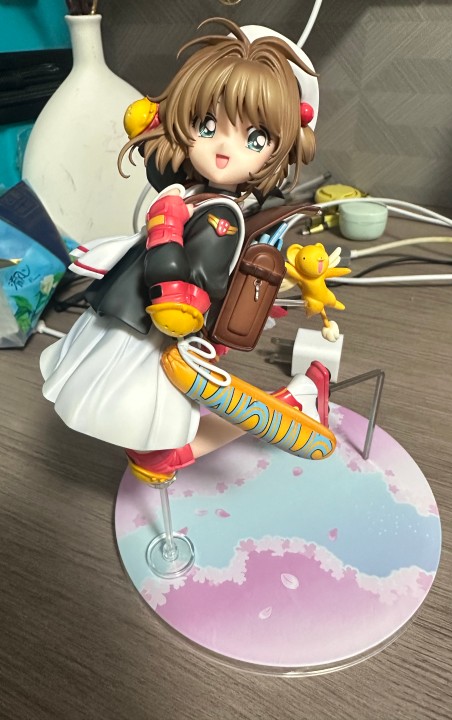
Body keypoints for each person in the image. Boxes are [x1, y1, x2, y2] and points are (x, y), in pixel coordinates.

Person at [40, 18, 332, 485]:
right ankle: (295, 400)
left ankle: (296, 401)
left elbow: (197, 280)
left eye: (255, 138)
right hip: (134, 323)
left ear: (279, 149)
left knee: (153, 446)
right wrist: (151, 129)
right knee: (134, 430)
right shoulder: (197, 191)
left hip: (160, 329)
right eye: (207, 124)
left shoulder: (224, 217)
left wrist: (167, 237)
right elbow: (164, 173)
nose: (223, 149)